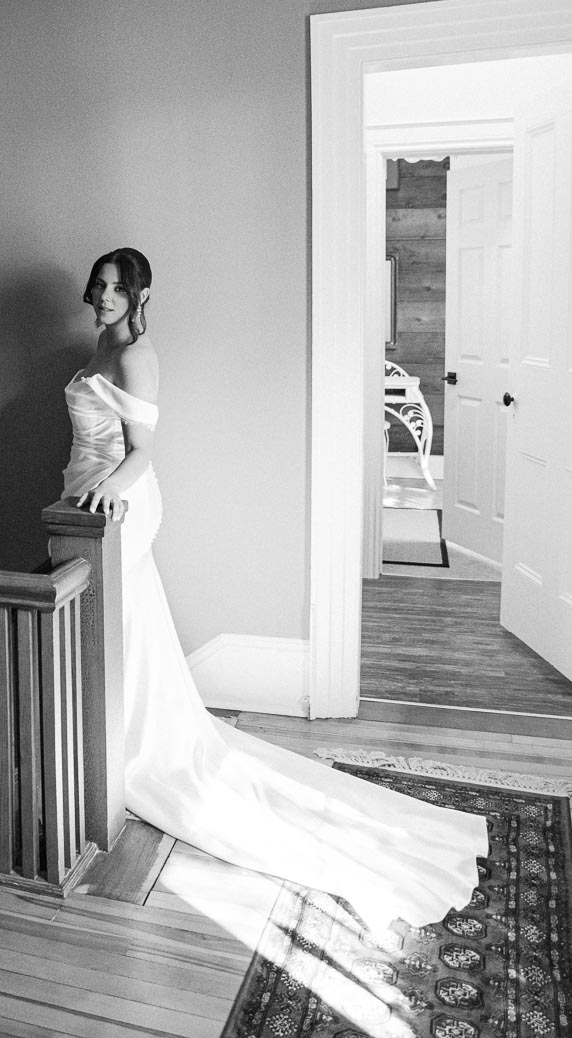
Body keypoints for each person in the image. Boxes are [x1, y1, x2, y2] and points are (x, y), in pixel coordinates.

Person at [61, 247, 488, 931]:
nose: (104, 296)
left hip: (119, 503)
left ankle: (128, 753)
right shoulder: (96, 349)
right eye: (99, 286)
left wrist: (104, 495)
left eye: (118, 288)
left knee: (118, 624)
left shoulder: (138, 354)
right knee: (116, 625)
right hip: (83, 501)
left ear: (140, 293)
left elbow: (141, 451)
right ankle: (115, 742)